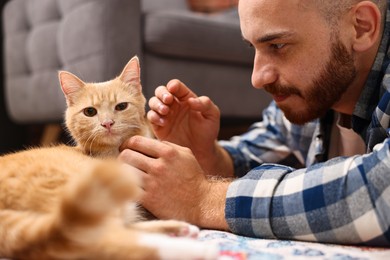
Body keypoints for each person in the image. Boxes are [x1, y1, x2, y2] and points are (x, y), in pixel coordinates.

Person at [119, 0, 390, 246]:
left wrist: (202, 198)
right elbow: (268, 142)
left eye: (278, 46)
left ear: (361, 27)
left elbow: (382, 190)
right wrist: (209, 156)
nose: (257, 78)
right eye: (254, 47)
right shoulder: (314, 93)